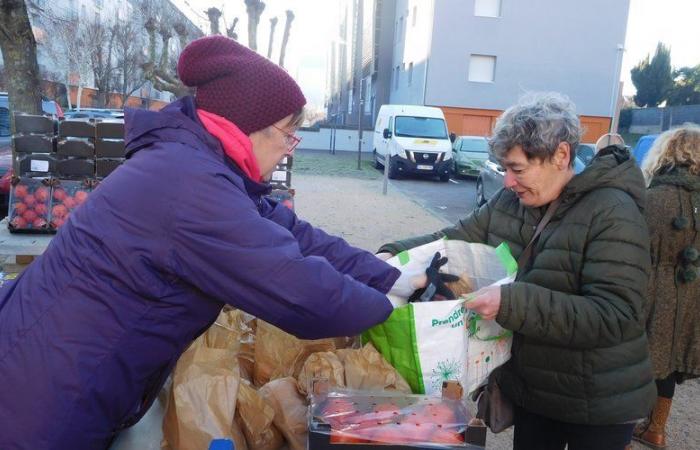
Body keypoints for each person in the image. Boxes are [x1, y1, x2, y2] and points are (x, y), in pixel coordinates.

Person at [0, 35, 408, 448]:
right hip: (42, 400)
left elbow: (295, 235)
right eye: (288, 135)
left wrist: (391, 277)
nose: (288, 151)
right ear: (248, 126)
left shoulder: (200, 165)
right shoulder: (191, 186)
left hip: (55, 371)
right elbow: (301, 292)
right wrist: (389, 309)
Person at [378, 93, 656, 450]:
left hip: (598, 401)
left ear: (561, 155)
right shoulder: (513, 201)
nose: (507, 181)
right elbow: (454, 239)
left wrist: (511, 303)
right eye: (505, 168)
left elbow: (617, 314)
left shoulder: (612, 211)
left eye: (518, 169)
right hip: (534, 393)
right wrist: (391, 254)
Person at [633, 124, 700, 449]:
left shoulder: (651, 197)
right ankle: (656, 429)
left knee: (635, 360)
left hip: (650, 287)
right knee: (669, 364)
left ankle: (622, 435)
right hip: (692, 293)